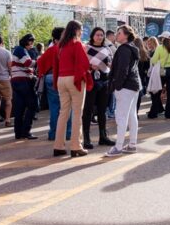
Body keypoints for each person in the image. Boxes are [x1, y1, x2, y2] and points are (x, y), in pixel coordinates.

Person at [53, 21, 92, 157]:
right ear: (76, 30)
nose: (82, 32)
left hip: (61, 80)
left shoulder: (60, 46)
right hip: (74, 80)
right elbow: (84, 64)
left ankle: (58, 146)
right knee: (77, 113)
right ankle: (76, 146)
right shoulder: (77, 44)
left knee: (63, 113)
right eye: (81, 30)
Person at [105, 25, 142, 157]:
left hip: (126, 86)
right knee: (131, 116)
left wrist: (117, 85)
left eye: (119, 33)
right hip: (134, 85)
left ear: (126, 35)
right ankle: (132, 144)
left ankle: (118, 146)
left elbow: (122, 69)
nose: (117, 35)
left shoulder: (124, 49)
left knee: (121, 117)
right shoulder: (132, 48)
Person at [37, 28, 71, 141]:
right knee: (67, 107)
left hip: (49, 78)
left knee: (54, 107)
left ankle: (53, 133)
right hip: (64, 77)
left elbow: (40, 63)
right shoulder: (66, 49)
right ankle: (68, 133)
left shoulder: (50, 49)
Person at [85, 28, 114, 148]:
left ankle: (103, 136)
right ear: (92, 36)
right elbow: (81, 64)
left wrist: (109, 64)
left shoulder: (107, 49)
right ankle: (86, 138)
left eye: (102, 35)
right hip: (90, 81)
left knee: (102, 110)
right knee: (88, 110)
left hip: (104, 81)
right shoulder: (86, 48)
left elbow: (111, 63)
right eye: (97, 35)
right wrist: (90, 67)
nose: (100, 37)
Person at [11, 33, 38, 140]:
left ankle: (18, 133)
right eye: (31, 41)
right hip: (23, 81)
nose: (32, 44)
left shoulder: (18, 50)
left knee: (19, 108)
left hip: (16, 81)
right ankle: (26, 131)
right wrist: (39, 60)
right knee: (32, 105)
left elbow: (23, 65)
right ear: (27, 41)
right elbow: (28, 63)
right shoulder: (21, 50)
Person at [149, 32, 170, 119]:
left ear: (163, 38)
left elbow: (153, 60)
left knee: (156, 92)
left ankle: (153, 113)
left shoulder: (160, 48)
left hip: (162, 71)